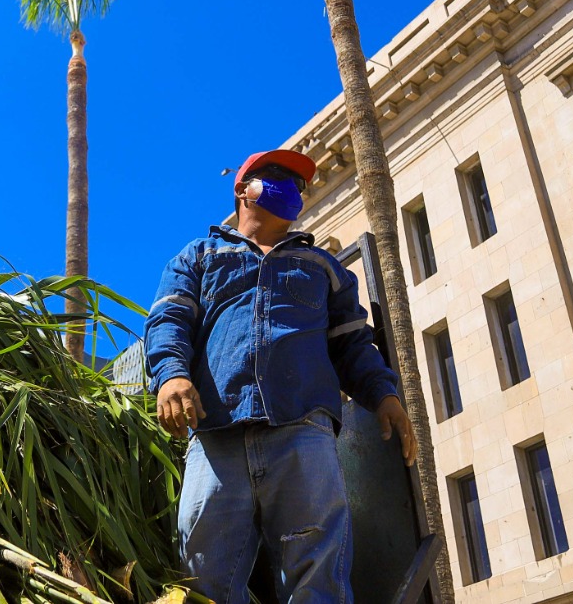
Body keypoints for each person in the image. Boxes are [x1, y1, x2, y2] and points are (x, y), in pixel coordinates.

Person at [144, 148, 417, 604]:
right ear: (241, 190)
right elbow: (168, 320)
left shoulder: (323, 266)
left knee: (318, 577)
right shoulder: (200, 256)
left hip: (303, 431)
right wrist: (171, 375)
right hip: (217, 432)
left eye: (298, 184)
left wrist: (383, 395)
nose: (291, 188)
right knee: (203, 578)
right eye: (276, 176)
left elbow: (353, 344)